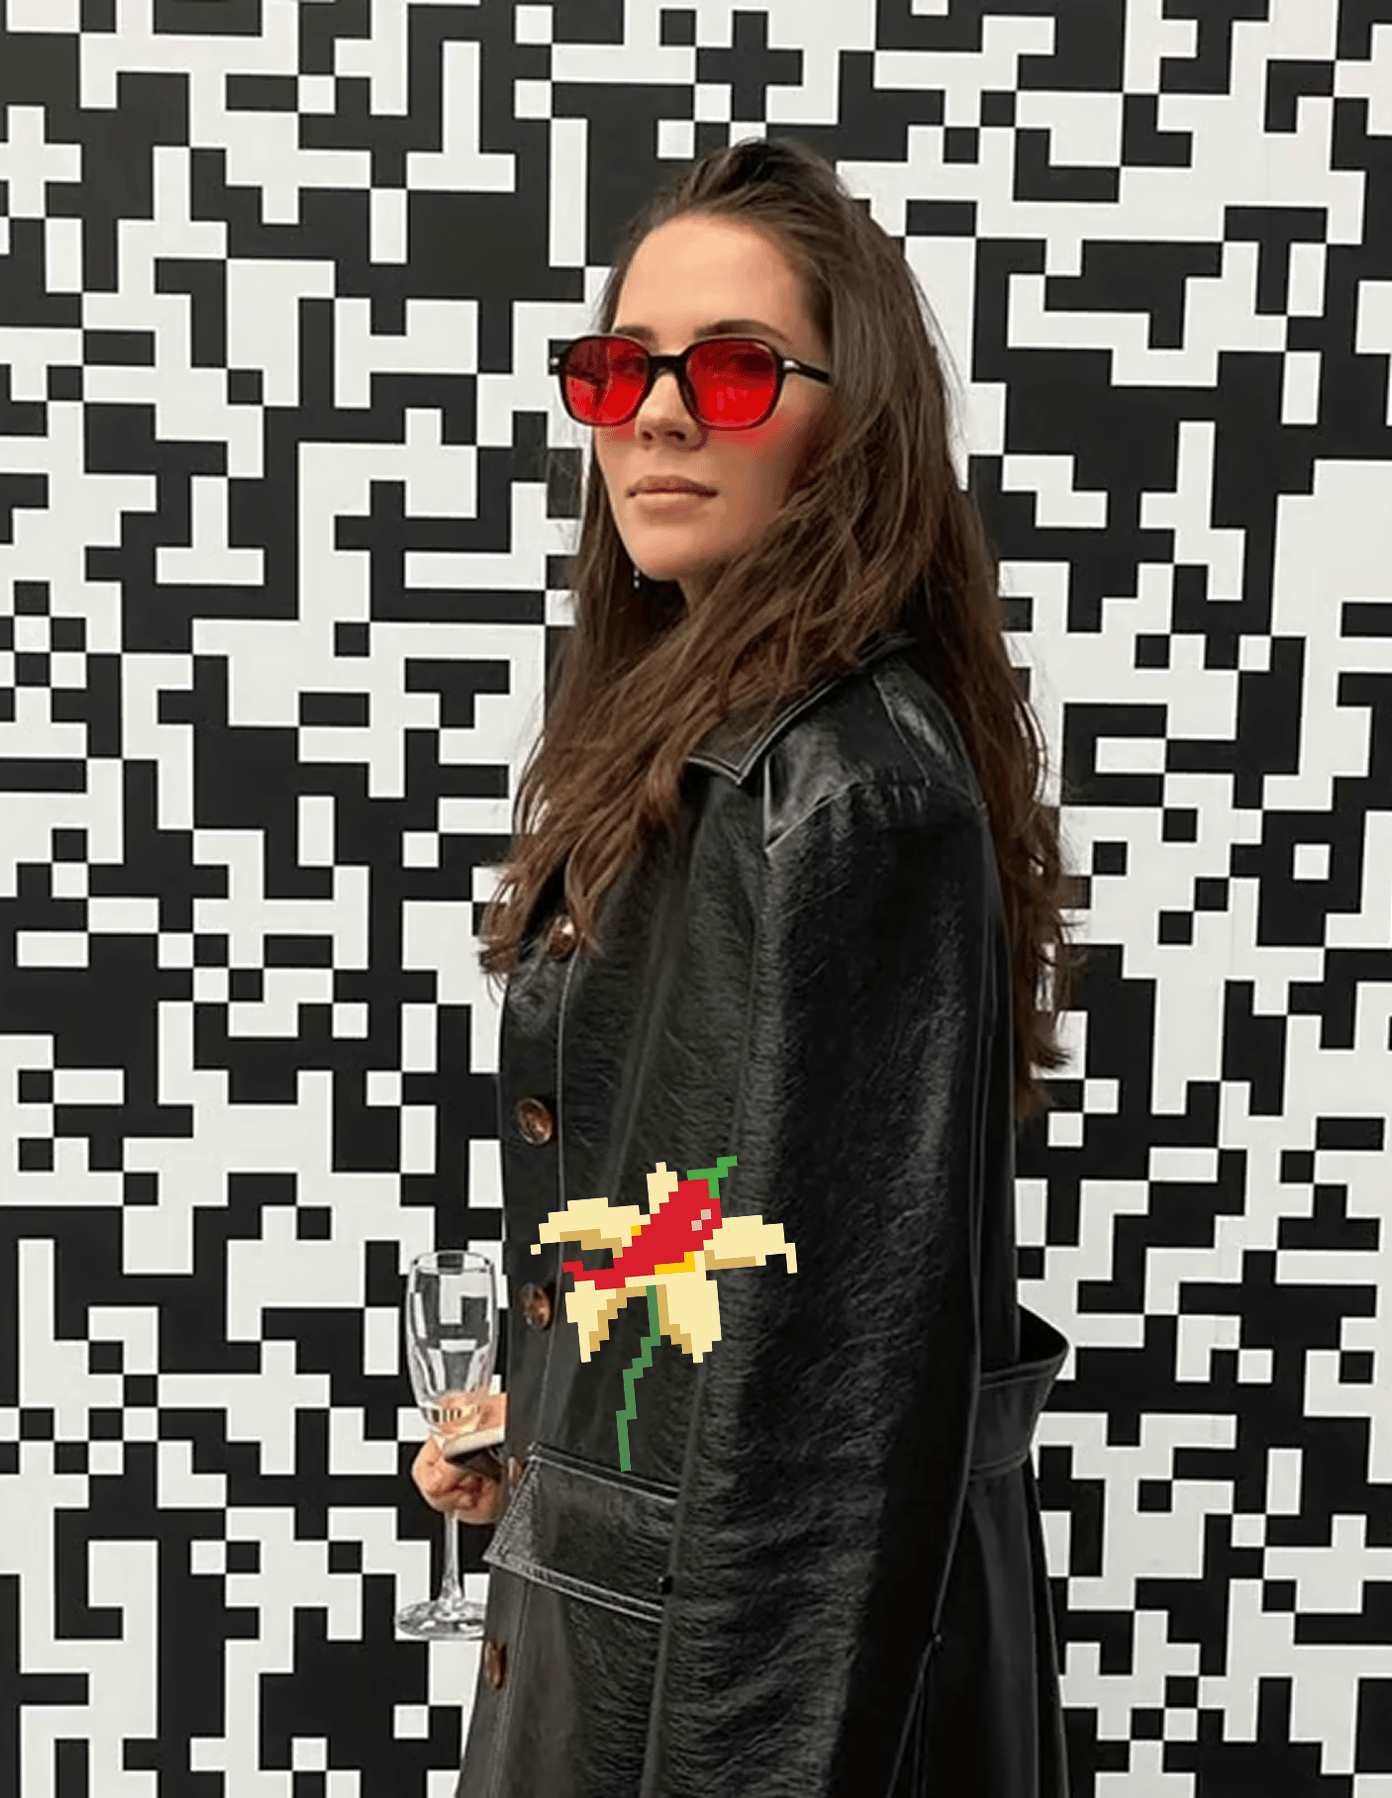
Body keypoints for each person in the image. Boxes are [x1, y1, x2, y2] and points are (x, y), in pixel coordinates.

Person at [407, 135, 1080, 1797]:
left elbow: (833, 1446)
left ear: (856, 427)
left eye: (730, 368)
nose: (655, 415)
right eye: (616, 369)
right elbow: (724, 1285)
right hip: (631, 1681)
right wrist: (564, 1441)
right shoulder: (714, 749)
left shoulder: (843, 794)